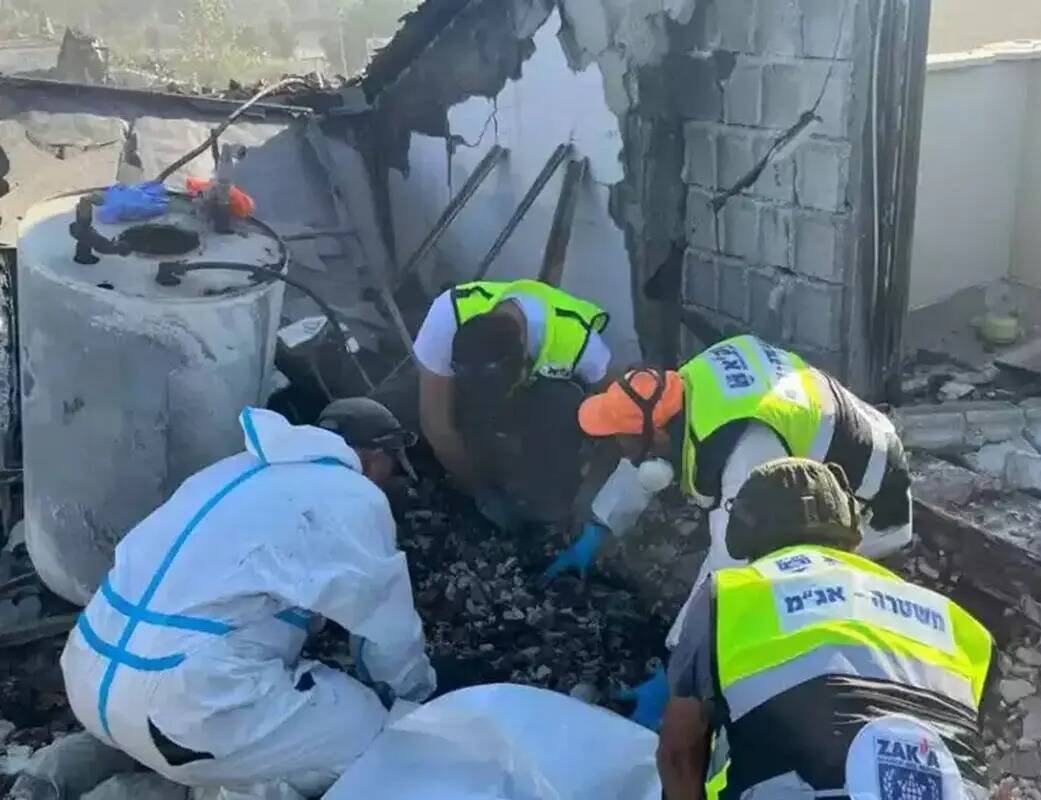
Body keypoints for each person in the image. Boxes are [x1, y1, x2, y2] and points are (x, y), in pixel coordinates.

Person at [58, 399, 436, 798]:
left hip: (87, 675)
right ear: (376, 457)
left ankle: (81, 780)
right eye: (391, 467)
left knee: (198, 723)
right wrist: (416, 698)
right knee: (375, 739)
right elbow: (386, 631)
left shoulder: (229, 470)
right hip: (189, 704)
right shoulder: (354, 494)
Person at [542, 334, 915, 726]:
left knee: (775, 593)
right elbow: (643, 456)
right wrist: (598, 531)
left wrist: (677, 674)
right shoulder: (681, 387)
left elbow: (728, 567)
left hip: (870, 501)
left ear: (662, 433)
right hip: (831, 443)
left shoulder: (743, 452)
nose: (619, 448)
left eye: (623, 440)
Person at [658, 458, 994, 800]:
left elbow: (679, 756)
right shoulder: (957, 623)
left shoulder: (731, 593)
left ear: (744, 531)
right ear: (850, 527)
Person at [413, 278, 615, 529]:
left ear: (524, 366)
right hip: (476, 403)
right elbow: (436, 425)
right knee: (405, 409)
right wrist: (478, 490)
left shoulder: (580, 343)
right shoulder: (450, 315)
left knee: (560, 402)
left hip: (545, 404)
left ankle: (549, 505)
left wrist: (589, 503)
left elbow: (620, 414)